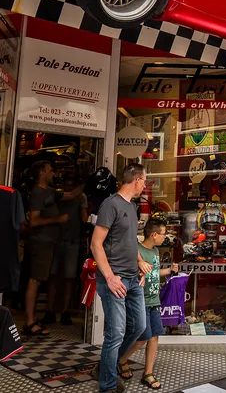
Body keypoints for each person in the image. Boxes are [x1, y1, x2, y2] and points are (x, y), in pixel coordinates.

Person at [92, 164, 149, 393]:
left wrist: (139, 263)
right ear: (136, 179)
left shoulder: (131, 206)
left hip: (134, 279)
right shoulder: (110, 204)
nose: (145, 184)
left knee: (139, 327)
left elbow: (130, 240)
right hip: (115, 279)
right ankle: (107, 386)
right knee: (116, 333)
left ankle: (106, 365)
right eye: (144, 180)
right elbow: (96, 244)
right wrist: (110, 278)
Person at [127, 218, 173, 389]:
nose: (165, 237)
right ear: (154, 235)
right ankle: (119, 360)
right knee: (143, 337)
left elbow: (153, 272)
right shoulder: (137, 251)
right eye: (163, 234)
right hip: (141, 300)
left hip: (154, 300)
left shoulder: (155, 251)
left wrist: (168, 271)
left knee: (154, 336)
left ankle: (148, 372)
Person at [24, 161, 70, 335]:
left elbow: (70, 195)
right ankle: (29, 321)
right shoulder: (37, 193)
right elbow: (33, 221)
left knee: (39, 280)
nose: (54, 174)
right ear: (42, 173)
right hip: (40, 242)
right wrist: (56, 220)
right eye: (51, 171)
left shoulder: (50, 192)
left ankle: (33, 319)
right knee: (34, 280)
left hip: (49, 242)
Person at [48, 174, 87, 325]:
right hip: (62, 240)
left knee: (61, 278)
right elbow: (84, 218)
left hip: (68, 240)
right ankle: (57, 311)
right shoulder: (60, 196)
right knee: (61, 278)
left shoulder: (74, 197)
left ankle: (58, 311)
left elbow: (83, 218)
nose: (68, 187)